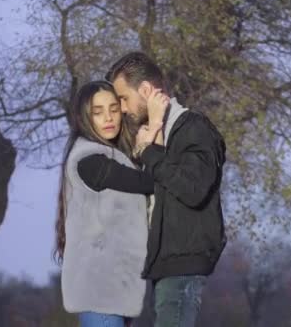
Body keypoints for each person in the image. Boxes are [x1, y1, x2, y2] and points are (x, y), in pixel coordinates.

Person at [106, 52, 227, 327]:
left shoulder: (193, 128)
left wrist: (149, 152)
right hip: (160, 264)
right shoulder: (150, 134)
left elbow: (193, 189)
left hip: (182, 263)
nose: (122, 109)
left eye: (123, 98)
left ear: (146, 90)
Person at [53, 80, 168, 327]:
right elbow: (152, 182)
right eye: (98, 112)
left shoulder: (113, 157)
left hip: (115, 288)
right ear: (84, 117)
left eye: (114, 109)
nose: (108, 118)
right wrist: (155, 125)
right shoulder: (89, 160)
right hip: (100, 291)